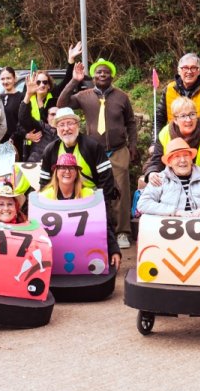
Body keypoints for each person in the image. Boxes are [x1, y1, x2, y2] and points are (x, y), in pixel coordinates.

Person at [58, 58, 139, 248]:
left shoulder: (121, 97)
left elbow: (131, 123)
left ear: (111, 76)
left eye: (106, 72)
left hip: (118, 151)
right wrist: (74, 80)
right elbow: (61, 103)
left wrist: (133, 145)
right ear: (93, 76)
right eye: (98, 72)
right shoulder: (84, 95)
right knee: (93, 191)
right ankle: (96, 229)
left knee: (121, 191)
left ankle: (122, 233)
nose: (102, 75)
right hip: (93, 152)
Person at [38, 108, 117, 212]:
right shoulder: (50, 150)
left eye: (70, 123)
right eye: (61, 125)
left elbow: (107, 180)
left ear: (78, 125)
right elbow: (45, 183)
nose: (66, 128)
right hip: (59, 202)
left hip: (91, 200)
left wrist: (100, 206)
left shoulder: (92, 146)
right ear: (56, 129)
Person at [136, 137, 200, 218]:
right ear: (169, 162)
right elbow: (143, 204)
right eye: (177, 157)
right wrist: (174, 211)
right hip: (170, 234)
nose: (183, 160)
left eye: (186, 155)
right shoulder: (161, 178)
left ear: (191, 158)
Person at [144, 97, 200, 181]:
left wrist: (195, 174)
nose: (188, 120)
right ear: (175, 120)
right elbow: (156, 161)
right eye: (183, 116)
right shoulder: (164, 134)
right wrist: (152, 172)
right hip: (172, 183)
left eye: (192, 114)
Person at [159, 53, 200, 134]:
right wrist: (155, 142)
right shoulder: (169, 88)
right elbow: (159, 116)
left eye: (193, 68)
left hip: (197, 138)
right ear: (179, 70)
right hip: (173, 137)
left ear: (199, 71)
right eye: (185, 68)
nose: (189, 71)